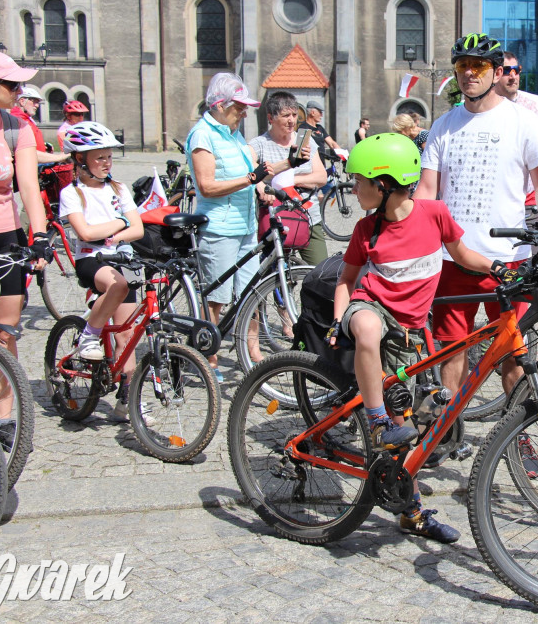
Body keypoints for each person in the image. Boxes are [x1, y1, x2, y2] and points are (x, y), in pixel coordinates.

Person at [329, 132, 510, 542]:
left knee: (406, 434)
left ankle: (410, 514)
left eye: (359, 180)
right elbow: (346, 280)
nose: (353, 188)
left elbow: (463, 256)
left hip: (408, 334)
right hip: (369, 311)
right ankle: (375, 422)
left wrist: (498, 268)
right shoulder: (364, 230)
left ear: (385, 184)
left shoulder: (435, 214)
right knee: (369, 329)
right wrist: (339, 319)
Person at [413, 32, 538, 415]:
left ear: (495, 72)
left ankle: (519, 436)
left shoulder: (522, 121)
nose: (469, 73)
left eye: (478, 66)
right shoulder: (443, 125)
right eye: (462, 66)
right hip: (452, 259)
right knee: (452, 349)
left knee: (513, 354)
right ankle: (444, 429)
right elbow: (428, 189)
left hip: (506, 259)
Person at [0, 50, 51, 448]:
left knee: (5, 334)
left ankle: (3, 419)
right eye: (12, 84)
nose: (20, 90)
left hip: (6, 239)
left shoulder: (16, 128)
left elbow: (29, 189)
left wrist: (38, 237)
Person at [187, 72, 273, 382]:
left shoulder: (231, 133)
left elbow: (252, 175)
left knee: (253, 293)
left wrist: (261, 188)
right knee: (218, 298)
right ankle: (209, 357)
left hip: (246, 225)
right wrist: (250, 180)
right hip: (219, 227)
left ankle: (253, 352)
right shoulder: (203, 135)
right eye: (239, 107)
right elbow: (207, 186)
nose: (245, 112)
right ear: (220, 105)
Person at [58, 122, 144, 421]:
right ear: (80, 161)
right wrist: (119, 224)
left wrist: (115, 234)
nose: (107, 163)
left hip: (119, 258)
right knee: (118, 285)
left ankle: (128, 401)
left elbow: (138, 228)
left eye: (109, 157)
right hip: (90, 261)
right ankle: (89, 335)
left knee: (127, 336)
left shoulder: (118, 188)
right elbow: (84, 232)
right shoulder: (73, 194)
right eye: (100, 158)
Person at [248, 91, 328, 266]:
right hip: (275, 218)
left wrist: (291, 180)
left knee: (320, 270)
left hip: (308, 215)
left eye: (294, 115)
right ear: (271, 117)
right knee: (277, 275)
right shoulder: (259, 144)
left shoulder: (304, 140)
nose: (291, 120)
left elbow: (321, 177)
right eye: (285, 116)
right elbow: (248, 170)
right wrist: (261, 186)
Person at [494, 51, 538, 208]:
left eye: (517, 70)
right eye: (507, 71)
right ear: (497, 73)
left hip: (531, 199)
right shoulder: (484, 107)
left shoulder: (535, 107)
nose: (513, 76)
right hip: (497, 199)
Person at [11, 86, 70, 164]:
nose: (37, 105)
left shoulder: (26, 119)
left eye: (38, 102)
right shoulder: (18, 121)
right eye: (34, 101)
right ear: (22, 101)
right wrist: (59, 157)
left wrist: (42, 145)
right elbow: (26, 152)